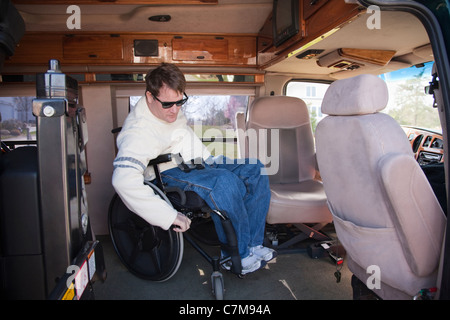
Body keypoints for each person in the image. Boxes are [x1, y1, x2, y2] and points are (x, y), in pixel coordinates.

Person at [112, 63, 276, 274]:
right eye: (168, 104)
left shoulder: (168, 110)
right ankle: (237, 255)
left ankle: (253, 244)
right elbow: (122, 181)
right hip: (167, 173)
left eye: (180, 102)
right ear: (150, 97)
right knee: (223, 180)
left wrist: (209, 160)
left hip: (196, 162)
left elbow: (182, 137)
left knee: (255, 168)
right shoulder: (138, 132)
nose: (175, 110)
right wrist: (168, 216)